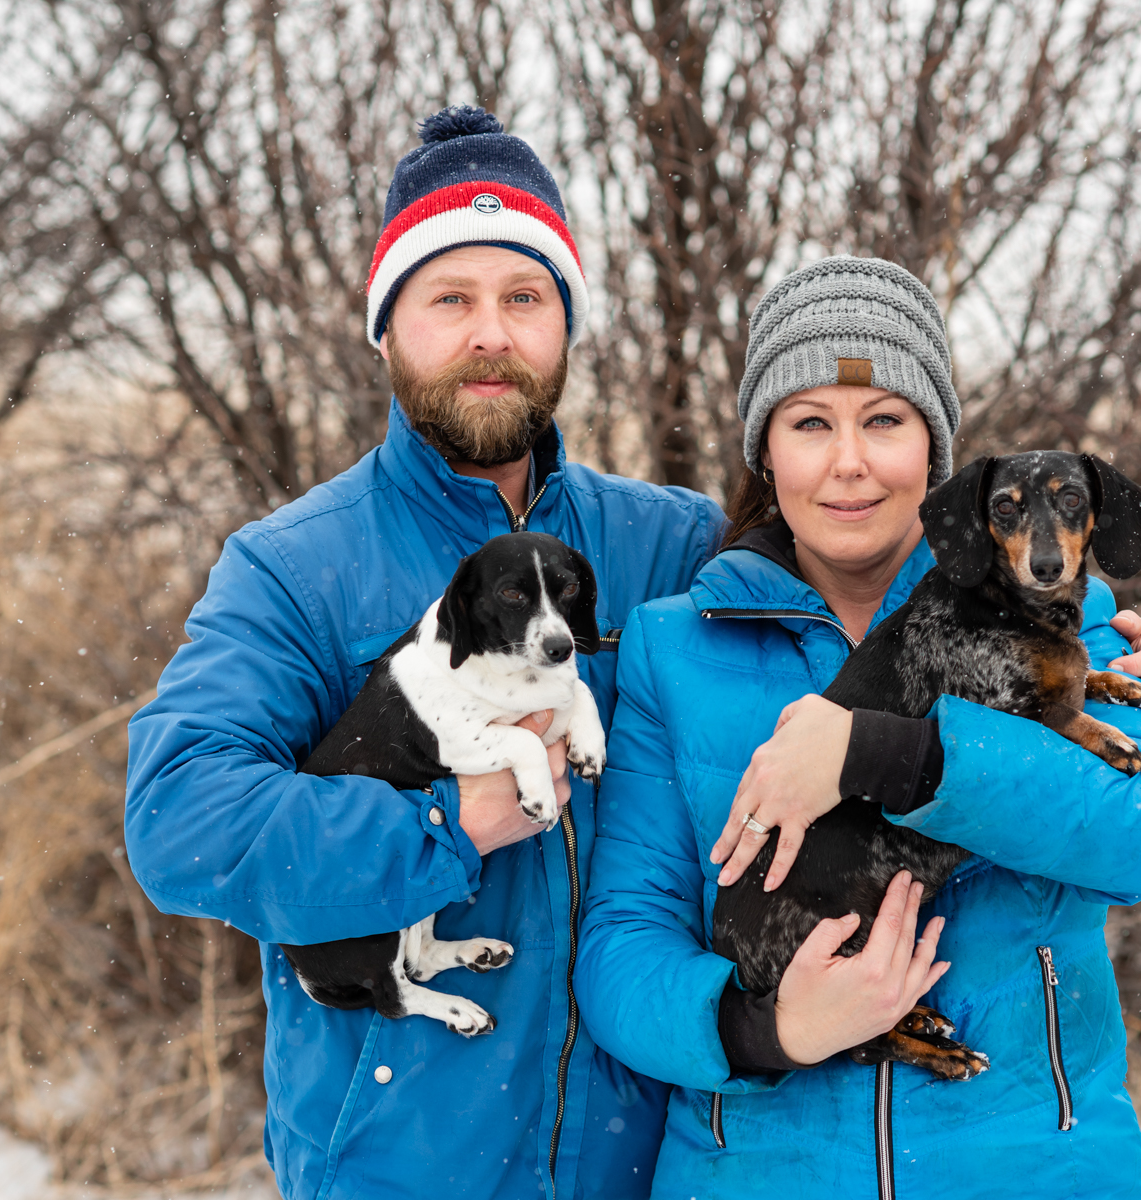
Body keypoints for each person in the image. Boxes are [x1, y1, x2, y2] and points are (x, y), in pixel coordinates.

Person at [124, 106, 728, 1199]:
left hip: (645, 1159)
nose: (490, 334)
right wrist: (449, 822)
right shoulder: (297, 567)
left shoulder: (666, 543)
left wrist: (1094, 635)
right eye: (450, 299)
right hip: (401, 1165)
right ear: (388, 328)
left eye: (524, 298)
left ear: (563, 329)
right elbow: (180, 822)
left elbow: (857, 589)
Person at [574, 255, 1141, 1197]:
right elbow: (624, 943)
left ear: (937, 453)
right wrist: (767, 1030)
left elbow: (1140, 836)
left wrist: (891, 755)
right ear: (766, 451)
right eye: (810, 423)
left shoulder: (1074, 613)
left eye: (885, 421)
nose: (849, 461)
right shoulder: (673, 648)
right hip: (756, 1172)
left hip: (1031, 1168)